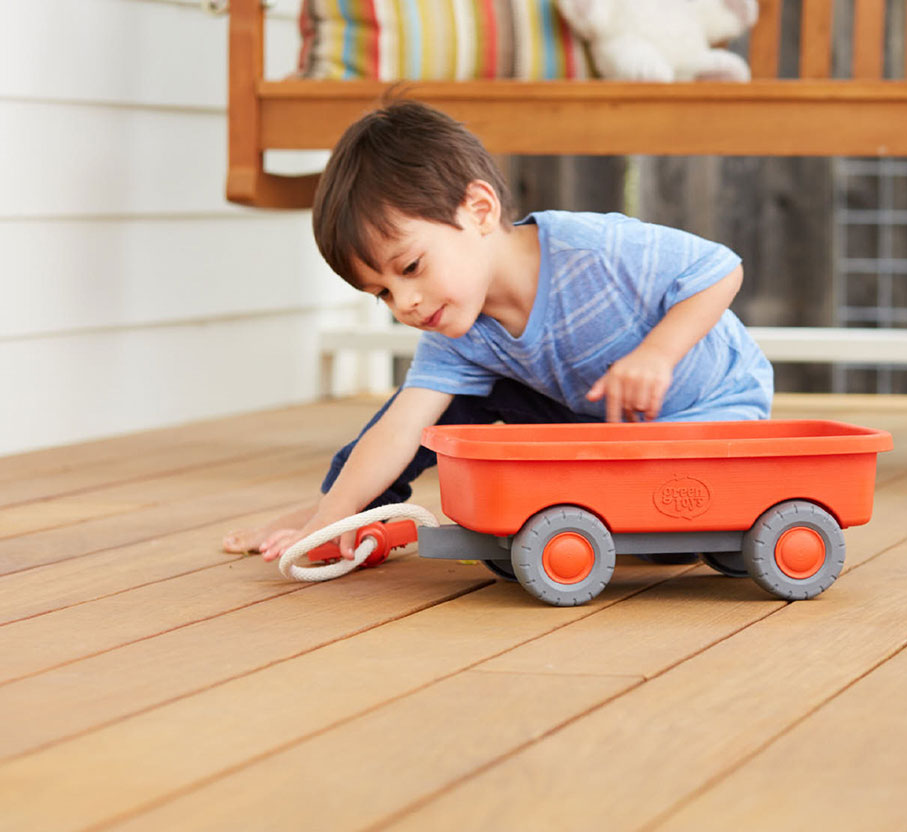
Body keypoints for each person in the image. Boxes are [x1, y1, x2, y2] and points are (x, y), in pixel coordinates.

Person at [222, 98, 773, 562]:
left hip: (710, 408)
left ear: (479, 210)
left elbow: (718, 269)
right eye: (383, 294)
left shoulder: (594, 249)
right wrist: (330, 520)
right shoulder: (458, 330)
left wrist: (658, 354)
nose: (405, 304)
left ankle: (341, 506)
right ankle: (341, 508)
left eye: (411, 268)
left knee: (665, 537)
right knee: (432, 405)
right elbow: (400, 430)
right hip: (601, 421)